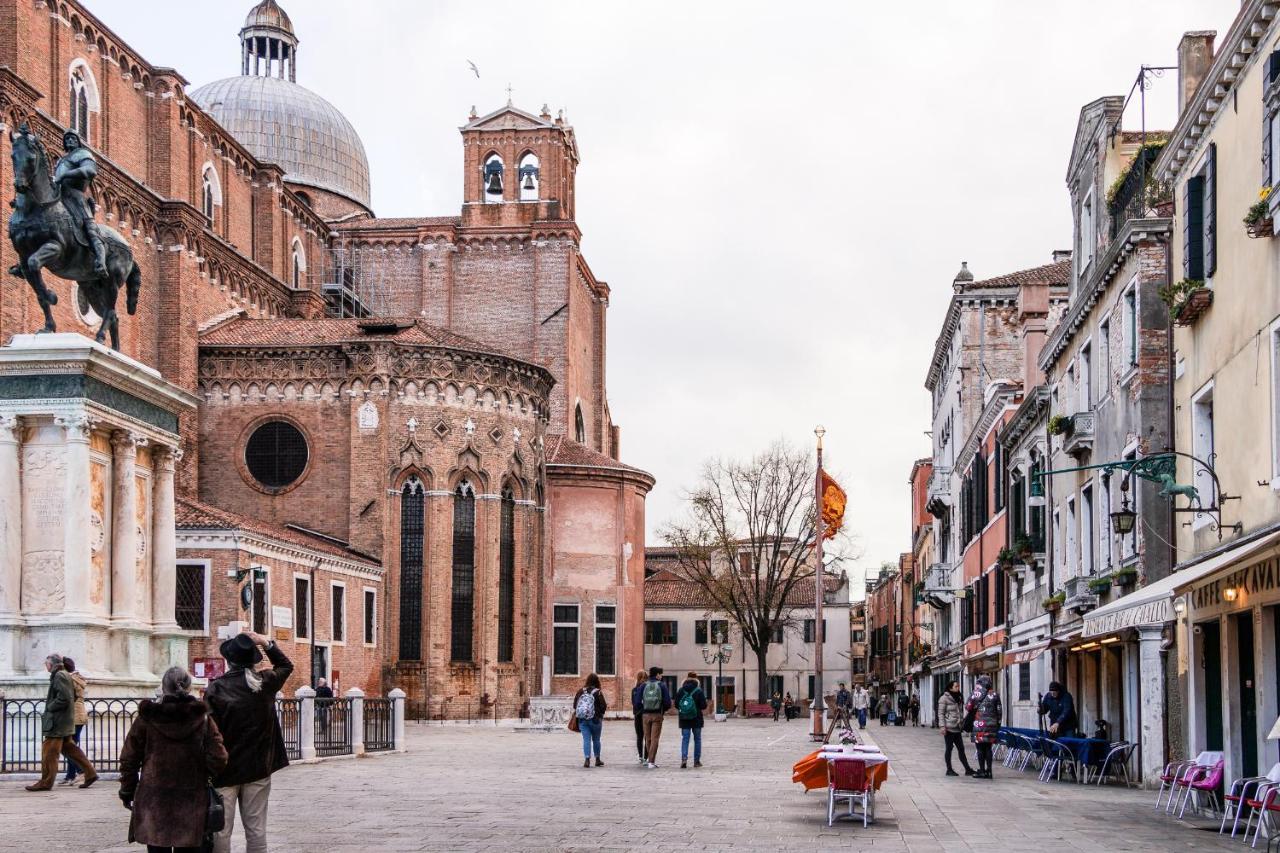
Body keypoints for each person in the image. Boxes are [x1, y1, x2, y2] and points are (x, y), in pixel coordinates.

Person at [118, 666, 228, 853]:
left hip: (154, 797)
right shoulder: (202, 719)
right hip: (191, 798)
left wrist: (127, 790)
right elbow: (219, 757)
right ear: (188, 686)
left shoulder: (147, 718)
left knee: (157, 847)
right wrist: (204, 773)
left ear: (163, 687)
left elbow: (129, 758)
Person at [205, 631, 293, 853]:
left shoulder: (216, 689)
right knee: (256, 830)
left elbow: (208, 733)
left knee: (221, 830)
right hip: (257, 769)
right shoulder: (266, 682)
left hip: (225, 771)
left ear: (229, 661)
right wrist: (266, 642)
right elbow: (286, 665)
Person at [25, 653, 97, 791]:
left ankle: (46, 782)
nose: (45, 666)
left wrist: (50, 707)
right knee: (71, 749)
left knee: (49, 752)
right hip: (64, 720)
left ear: (52, 664)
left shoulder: (59, 675)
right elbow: (71, 696)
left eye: (46, 663)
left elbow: (64, 698)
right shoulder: (63, 675)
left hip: (58, 722)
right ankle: (90, 773)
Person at [53, 129, 108, 278]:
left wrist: (66, 174)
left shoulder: (83, 154)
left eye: (73, 138)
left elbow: (90, 170)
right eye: (67, 139)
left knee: (89, 228)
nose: (70, 141)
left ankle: (101, 261)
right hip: (59, 194)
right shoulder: (60, 160)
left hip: (75, 196)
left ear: (78, 141)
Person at [966, 674, 1003, 779]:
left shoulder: (975, 693)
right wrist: (998, 724)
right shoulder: (995, 694)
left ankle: (982, 770)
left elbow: (968, 707)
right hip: (992, 726)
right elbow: (999, 711)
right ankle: (989, 771)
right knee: (988, 748)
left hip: (978, 725)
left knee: (980, 748)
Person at [937, 680, 975, 777]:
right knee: (949, 749)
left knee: (961, 749)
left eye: (958, 686)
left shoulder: (958, 697)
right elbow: (940, 713)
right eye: (956, 686)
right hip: (949, 727)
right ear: (950, 688)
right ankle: (949, 769)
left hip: (957, 727)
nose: (958, 688)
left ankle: (967, 769)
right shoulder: (944, 698)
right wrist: (942, 726)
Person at [61, 657, 88, 786]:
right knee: (71, 746)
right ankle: (70, 775)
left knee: (68, 747)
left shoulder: (69, 679)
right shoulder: (78, 678)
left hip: (73, 716)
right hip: (79, 715)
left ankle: (82, 771)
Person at [639, 666, 672, 768]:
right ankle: (651, 762)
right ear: (657, 674)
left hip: (645, 714)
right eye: (660, 674)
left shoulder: (643, 685)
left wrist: (643, 710)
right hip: (657, 714)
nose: (661, 676)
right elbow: (668, 702)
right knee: (655, 739)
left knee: (648, 738)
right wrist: (663, 710)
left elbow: (636, 701)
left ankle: (650, 759)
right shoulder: (662, 685)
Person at [573, 672, 607, 768]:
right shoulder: (598, 692)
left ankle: (587, 759)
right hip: (595, 720)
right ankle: (597, 759)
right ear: (597, 681)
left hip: (583, 720)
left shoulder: (580, 691)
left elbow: (575, 705)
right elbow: (603, 706)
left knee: (586, 740)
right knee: (596, 739)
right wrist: (600, 715)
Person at [675, 672, 707, 769]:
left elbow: (676, 704)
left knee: (685, 739)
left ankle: (684, 759)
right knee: (697, 739)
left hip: (684, 718)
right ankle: (696, 761)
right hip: (696, 718)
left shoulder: (681, 690)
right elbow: (704, 706)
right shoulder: (698, 690)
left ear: (686, 679)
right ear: (696, 679)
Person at [630, 671, 648, 764]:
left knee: (639, 736)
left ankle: (640, 756)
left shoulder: (634, 690)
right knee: (647, 736)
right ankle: (646, 756)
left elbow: (634, 703)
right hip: (647, 714)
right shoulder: (648, 688)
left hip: (637, 715)